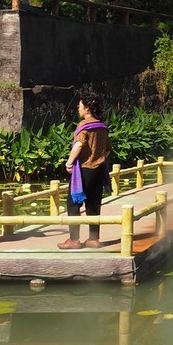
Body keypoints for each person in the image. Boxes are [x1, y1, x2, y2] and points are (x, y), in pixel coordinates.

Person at [58, 92, 112, 249]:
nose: (78, 109)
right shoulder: (102, 127)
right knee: (94, 204)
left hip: (84, 170)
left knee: (73, 203)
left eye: (80, 106)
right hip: (99, 170)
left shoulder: (84, 125)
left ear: (87, 108)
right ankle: (94, 238)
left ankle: (74, 240)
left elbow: (79, 144)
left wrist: (69, 163)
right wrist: (98, 157)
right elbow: (108, 149)